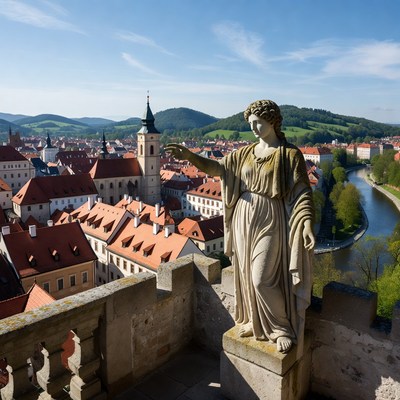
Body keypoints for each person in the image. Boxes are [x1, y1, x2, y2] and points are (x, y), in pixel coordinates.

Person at [165, 100, 314, 354]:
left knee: (261, 279)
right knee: (245, 274)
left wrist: (307, 222)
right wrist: (190, 157)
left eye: (259, 123)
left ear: (273, 122)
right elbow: (218, 169)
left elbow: (302, 193)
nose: (254, 128)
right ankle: (252, 321)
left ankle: (281, 329)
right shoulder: (244, 153)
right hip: (243, 219)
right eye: (251, 124)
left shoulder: (289, 155)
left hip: (270, 219)